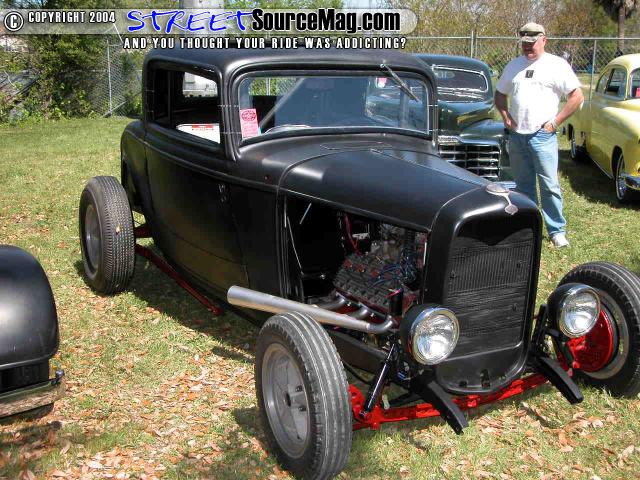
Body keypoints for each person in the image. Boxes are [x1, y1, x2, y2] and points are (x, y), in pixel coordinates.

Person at [495, 22, 584, 248]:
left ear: (544, 40)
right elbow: (500, 94)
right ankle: (529, 228)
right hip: (517, 137)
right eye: (524, 43)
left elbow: (577, 97)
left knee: (549, 186)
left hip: (543, 136)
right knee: (523, 186)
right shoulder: (514, 66)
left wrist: (555, 122)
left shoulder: (557, 65)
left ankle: (557, 231)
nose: (528, 47)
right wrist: (506, 117)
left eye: (532, 43)